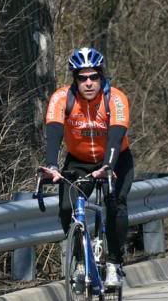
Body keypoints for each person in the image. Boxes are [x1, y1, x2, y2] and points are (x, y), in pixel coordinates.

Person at [40, 47, 134, 288]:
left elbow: (115, 137)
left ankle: (114, 263)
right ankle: (81, 262)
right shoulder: (61, 98)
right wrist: (52, 165)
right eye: (83, 78)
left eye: (94, 77)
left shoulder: (116, 98)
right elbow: (53, 133)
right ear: (75, 79)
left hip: (116, 159)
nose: (89, 83)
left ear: (102, 76)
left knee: (116, 204)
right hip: (79, 160)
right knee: (65, 208)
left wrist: (108, 166)